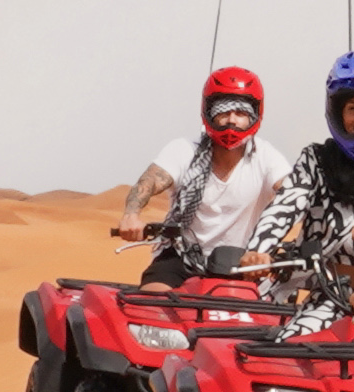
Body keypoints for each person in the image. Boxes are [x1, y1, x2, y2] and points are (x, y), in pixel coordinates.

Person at [235, 44, 354, 312]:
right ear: (338, 112)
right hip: (325, 300)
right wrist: (257, 251)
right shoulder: (316, 161)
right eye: (353, 107)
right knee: (289, 349)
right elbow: (285, 206)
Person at [106, 64, 275, 287]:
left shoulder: (265, 157)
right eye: (223, 111)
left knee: (267, 317)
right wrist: (131, 215)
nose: (232, 120)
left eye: (241, 113)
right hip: (179, 257)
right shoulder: (184, 149)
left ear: (255, 116)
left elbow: (293, 192)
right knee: (153, 303)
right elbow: (150, 181)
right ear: (208, 111)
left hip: (240, 264)